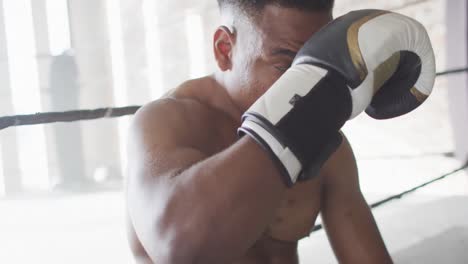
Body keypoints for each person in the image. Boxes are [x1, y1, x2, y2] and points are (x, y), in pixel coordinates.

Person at [125, 1, 435, 263]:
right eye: (288, 65)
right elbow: (179, 244)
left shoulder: (327, 146)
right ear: (224, 50)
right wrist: (291, 127)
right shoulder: (165, 123)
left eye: (316, 63)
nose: (306, 83)